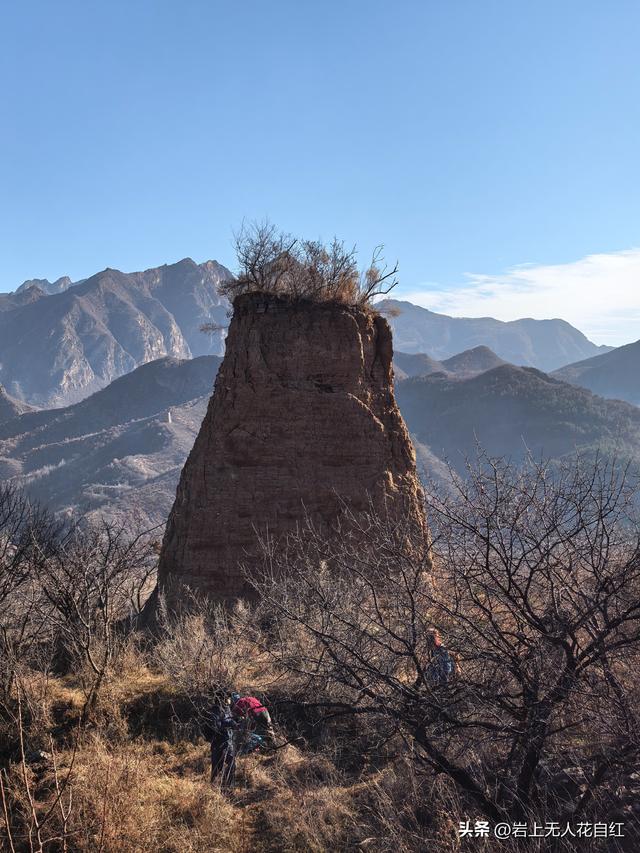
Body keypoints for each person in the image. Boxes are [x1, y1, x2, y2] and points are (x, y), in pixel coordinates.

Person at [208, 705, 238, 790]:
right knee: (217, 769)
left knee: (231, 765)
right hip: (218, 744)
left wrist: (236, 721)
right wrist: (230, 723)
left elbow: (230, 720)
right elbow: (216, 726)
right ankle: (213, 791)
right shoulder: (214, 711)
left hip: (228, 742)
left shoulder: (227, 708)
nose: (228, 699)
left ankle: (228, 789)